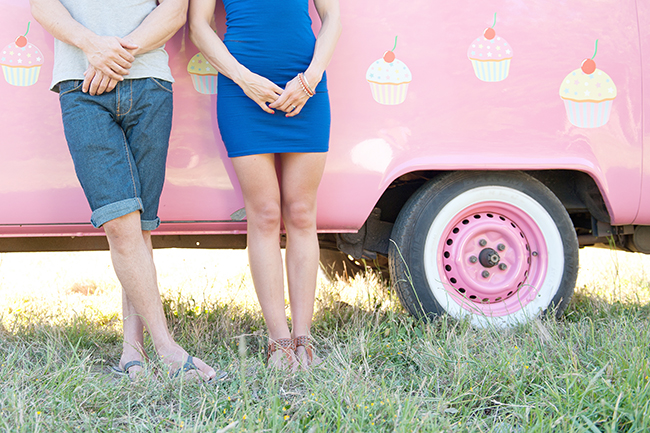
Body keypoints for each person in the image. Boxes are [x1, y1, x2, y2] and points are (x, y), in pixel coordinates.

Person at [30, 0, 222, 381]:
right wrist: (92, 46)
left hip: (149, 85)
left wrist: (113, 55)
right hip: (81, 84)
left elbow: (173, 11)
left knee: (139, 228)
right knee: (120, 223)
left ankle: (132, 355)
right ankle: (167, 349)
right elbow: (42, 5)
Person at [188, 0, 341, 370]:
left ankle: (304, 339)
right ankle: (278, 342)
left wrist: (311, 78)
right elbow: (198, 25)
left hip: (307, 87)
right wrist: (244, 78)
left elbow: (333, 16)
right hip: (243, 92)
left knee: (303, 213)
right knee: (265, 214)